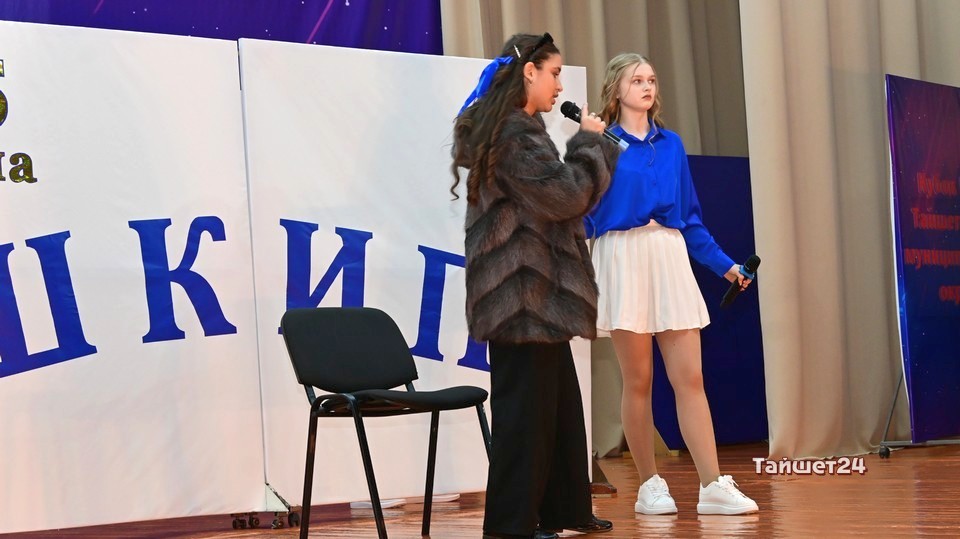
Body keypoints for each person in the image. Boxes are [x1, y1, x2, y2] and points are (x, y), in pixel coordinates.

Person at [451, 33, 620, 539]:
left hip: (534, 294)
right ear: (529, 72)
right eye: (554, 73)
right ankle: (511, 527)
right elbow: (566, 195)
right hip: (520, 295)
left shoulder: (519, 130)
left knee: (559, 409)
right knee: (524, 420)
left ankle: (564, 510)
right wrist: (589, 144)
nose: (560, 85)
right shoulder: (513, 134)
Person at [585, 53, 759, 516]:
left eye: (651, 79)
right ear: (616, 89)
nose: (647, 87)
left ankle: (712, 484)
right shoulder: (601, 143)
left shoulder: (672, 145)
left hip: (669, 255)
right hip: (622, 256)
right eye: (636, 80)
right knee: (638, 380)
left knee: (690, 378)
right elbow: (580, 216)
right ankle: (649, 485)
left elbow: (690, 219)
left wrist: (726, 267)